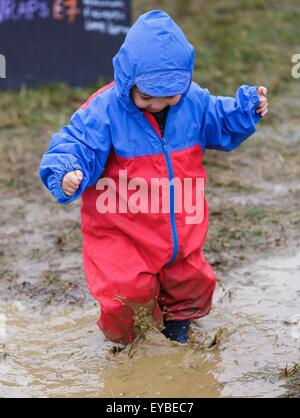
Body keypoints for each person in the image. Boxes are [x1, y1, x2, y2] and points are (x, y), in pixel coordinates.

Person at [39, 10, 269, 344]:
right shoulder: (104, 111)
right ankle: (128, 349)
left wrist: (246, 109)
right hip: (121, 230)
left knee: (191, 283)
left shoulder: (194, 102)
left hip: (180, 228)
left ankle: (178, 339)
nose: (157, 105)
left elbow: (220, 118)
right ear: (127, 78)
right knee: (125, 293)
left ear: (185, 82)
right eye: (147, 96)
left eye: (169, 97)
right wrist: (67, 171)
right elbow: (76, 143)